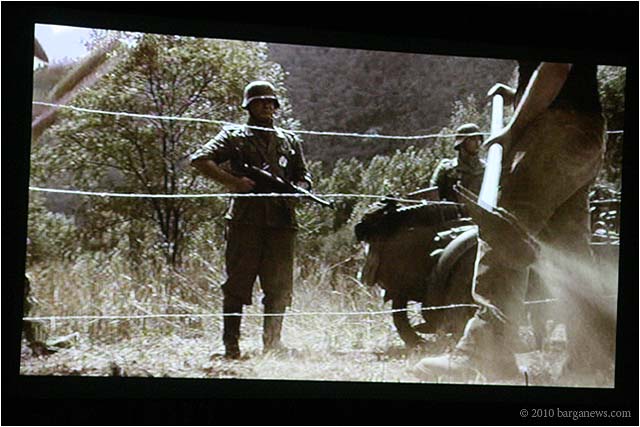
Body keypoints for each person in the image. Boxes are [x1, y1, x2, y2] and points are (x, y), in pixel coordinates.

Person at [411, 62, 616, 385]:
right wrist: (518, 95)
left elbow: (556, 66)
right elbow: (567, 77)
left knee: (503, 234)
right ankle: (590, 364)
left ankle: (484, 353)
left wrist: (513, 129)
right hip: (584, 130)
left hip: (553, 132)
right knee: (570, 252)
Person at [191, 81, 312, 359]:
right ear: (249, 106)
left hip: (282, 221)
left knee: (279, 286)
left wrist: (301, 188)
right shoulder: (233, 136)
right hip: (245, 221)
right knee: (237, 285)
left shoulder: (289, 140)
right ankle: (231, 346)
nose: (267, 106)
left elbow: (303, 174)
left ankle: (272, 344)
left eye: (271, 102)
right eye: (260, 102)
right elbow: (201, 159)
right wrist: (233, 182)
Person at [430, 123, 486, 201]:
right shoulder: (447, 169)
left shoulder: (486, 169)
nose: (477, 143)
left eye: (479, 139)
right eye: (472, 139)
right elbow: (433, 196)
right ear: (462, 142)